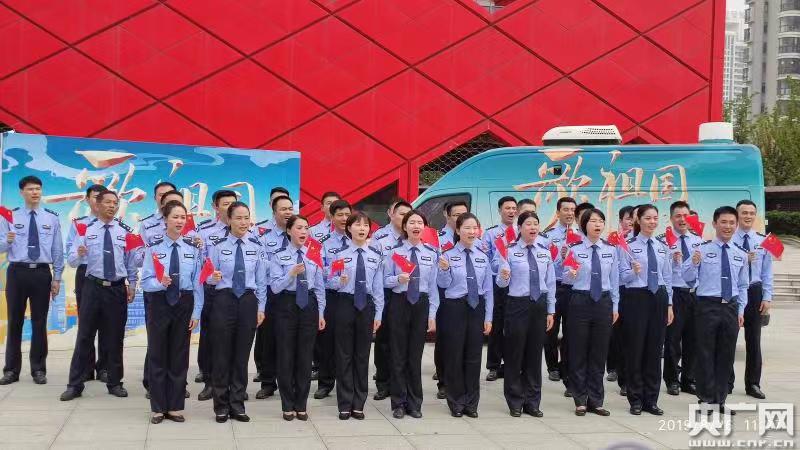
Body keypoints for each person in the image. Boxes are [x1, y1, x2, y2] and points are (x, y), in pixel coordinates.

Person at [61, 190, 137, 400]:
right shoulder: (85, 230)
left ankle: (115, 382)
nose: (112, 206)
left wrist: (132, 285)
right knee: (85, 336)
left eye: (115, 203)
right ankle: (75, 385)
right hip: (92, 287)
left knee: (115, 337)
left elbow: (131, 262)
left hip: (117, 289)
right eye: (108, 202)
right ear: (97, 204)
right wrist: (79, 254)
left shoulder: (125, 232)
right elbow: (72, 261)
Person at [141, 201, 204, 424]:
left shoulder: (192, 248)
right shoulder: (154, 247)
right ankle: (158, 408)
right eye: (175, 217)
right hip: (160, 302)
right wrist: (160, 283)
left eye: (183, 217)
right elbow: (145, 281)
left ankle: (175, 406)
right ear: (165, 219)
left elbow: (197, 283)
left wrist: (196, 313)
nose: (179, 221)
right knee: (157, 354)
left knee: (179, 355)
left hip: (184, 303)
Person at [206, 201, 268, 423]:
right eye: (238, 218)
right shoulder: (218, 246)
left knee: (242, 356)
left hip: (248, 301)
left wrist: (261, 307)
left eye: (246, 218)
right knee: (222, 354)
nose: (243, 222)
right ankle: (221, 406)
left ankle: (238, 404)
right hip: (224, 299)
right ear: (229, 220)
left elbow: (261, 281)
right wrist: (212, 278)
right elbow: (207, 276)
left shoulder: (256, 246)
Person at [683, 206, 748, 415]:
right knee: (705, 353)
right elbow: (687, 278)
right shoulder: (702, 250)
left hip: (731, 307)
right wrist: (693, 264)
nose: (728, 226)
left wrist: (741, 310)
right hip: (707, 306)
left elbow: (743, 285)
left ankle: (720, 399)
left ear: (736, 225)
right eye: (723, 222)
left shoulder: (741, 254)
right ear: (714, 224)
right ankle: (705, 399)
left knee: (726, 355)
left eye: (732, 223)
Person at [0, 176, 64, 386]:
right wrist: (6, 241)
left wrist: (57, 277)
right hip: (17, 273)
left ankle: (38, 369)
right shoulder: (9, 216)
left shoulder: (51, 218)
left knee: (39, 321)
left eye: (38, 189)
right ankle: (11, 370)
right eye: (30, 189)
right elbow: (0, 246)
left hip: (41, 274)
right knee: (15, 321)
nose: (35, 192)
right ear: (22, 192)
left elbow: (57, 250)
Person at [495, 211, 554, 417]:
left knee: (534, 354)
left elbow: (550, 283)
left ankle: (533, 401)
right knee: (515, 353)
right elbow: (501, 284)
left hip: (539, 305)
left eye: (535, 223)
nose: (533, 227)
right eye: (528, 224)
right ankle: (515, 400)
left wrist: (551, 310)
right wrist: (504, 276)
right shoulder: (509, 251)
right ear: (519, 228)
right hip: (517, 305)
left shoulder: (545, 252)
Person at [562, 208, 619, 416]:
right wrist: (571, 273)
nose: (597, 224)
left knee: (599, 352)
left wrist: (615, 306)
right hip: (580, 300)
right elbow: (565, 279)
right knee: (578, 351)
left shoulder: (611, 249)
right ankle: (580, 399)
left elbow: (615, 281)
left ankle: (596, 400)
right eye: (593, 221)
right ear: (584, 224)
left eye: (600, 221)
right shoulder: (574, 249)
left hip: (603, 302)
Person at [269, 215, 326, 421]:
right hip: (286, 305)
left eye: (306, 228)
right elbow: (275, 287)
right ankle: (287, 404)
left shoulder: (314, 253)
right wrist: (290, 274)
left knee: (304, 357)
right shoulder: (279, 256)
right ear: (289, 231)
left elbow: (319, 287)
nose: (303, 232)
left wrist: (321, 312)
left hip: (308, 306)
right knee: (285, 356)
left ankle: (301, 404)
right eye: (299, 228)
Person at [383, 210, 439, 419]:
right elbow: (384, 280)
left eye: (420, 223)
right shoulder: (394, 252)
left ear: (424, 227)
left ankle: (415, 403)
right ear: (405, 227)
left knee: (415, 357)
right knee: (398, 356)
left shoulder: (431, 253)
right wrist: (398, 279)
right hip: (399, 302)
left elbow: (433, 288)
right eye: (412, 222)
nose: (416, 226)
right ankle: (398, 402)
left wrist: (432, 314)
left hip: (421, 305)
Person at [328, 212, 384, 420]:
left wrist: (379, 313)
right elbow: (330, 281)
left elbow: (378, 288)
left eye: (365, 225)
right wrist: (339, 281)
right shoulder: (340, 254)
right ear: (349, 228)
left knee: (362, 356)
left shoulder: (375, 256)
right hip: (345, 303)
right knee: (343, 355)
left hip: (366, 306)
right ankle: (344, 403)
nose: (362, 228)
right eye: (357, 225)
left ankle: (359, 403)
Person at [437, 213, 494, 418]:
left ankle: (471, 403)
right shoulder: (447, 255)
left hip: (476, 307)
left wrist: (488, 317)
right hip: (455, 308)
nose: (471, 232)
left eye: (474, 228)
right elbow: (443, 284)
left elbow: (488, 290)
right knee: (454, 355)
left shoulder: (482, 257)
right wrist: (444, 270)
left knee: (473, 356)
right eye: (467, 228)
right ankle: (456, 402)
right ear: (458, 230)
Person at [618, 204, 673, 416]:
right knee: (636, 349)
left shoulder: (662, 246)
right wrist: (633, 272)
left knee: (654, 350)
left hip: (658, 297)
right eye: (648, 218)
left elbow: (667, 277)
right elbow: (621, 277)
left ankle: (652, 399)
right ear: (638, 220)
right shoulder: (627, 246)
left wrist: (669, 304)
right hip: (636, 298)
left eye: (655, 218)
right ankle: (636, 399)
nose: (652, 222)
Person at [195, 189, 239, 399]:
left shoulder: (245, 229)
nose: (230, 207)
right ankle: (210, 382)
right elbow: (199, 261)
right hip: (212, 291)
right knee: (211, 338)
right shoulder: (205, 230)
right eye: (225, 204)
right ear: (215, 207)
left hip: (237, 292)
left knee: (235, 338)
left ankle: (233, 384)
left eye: (233, 203)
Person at [65, 184, 109, 384]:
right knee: (87, 323)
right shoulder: (79, 224)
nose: (99, 201)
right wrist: (78, 253)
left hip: (107, 275)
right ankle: (86, 368)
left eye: (103, 197)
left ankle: (104, 368)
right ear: (87, 199)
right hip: (85, 273)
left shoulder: (114, 224)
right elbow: (70, 254)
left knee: (107, 323)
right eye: (95, 197)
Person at [731, 199, 772, 399]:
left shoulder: (764, 240)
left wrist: (767, 296)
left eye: (751, 213)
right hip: (733, 292)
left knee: (754, 340)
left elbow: (767, 272)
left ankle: (753, 384)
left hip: (755, 292)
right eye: (744, 213)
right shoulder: (728, 239)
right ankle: (726, 381)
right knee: (728, 339)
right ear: (737, 215)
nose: (748, 216)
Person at [254, 194, 294, 399]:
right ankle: (268, 382)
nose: (288, 212)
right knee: (268, 339)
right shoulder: (263, 235)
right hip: (271, 292)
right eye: (283, 209)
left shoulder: (299, 232)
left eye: (290, 208)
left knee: (291, 338)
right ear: (274, 212)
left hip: (294, 293)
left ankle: (291, 380)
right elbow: (261, 266)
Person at [373, 200, 413, 401]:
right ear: (391, 214)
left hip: (407, 294)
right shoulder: (380, 237)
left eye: (409, 214)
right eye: (401, 213)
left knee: (404, 341)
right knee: (384, 340)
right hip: (385, 293)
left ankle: (402, 382)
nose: (405, 218)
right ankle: (383, 383)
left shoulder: (414, 237)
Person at [314, 199, 352, 399]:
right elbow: (319, 270)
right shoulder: (324, 242)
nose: (344, 218)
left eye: (347, 215)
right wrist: (336, 269)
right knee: (327, 341)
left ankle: (348, 382)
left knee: (348, 342)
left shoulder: (359, 240)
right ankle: (325, 382)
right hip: (332, 296)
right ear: (332, 217)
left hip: (353, 297)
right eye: (340, 215)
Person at [663, 201, 702, 396]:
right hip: (675, 293)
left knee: (693, 339)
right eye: (678, 216)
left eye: (686, 216)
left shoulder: (698, 241)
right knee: (672, 340)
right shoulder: (664, 241)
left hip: (694, 293)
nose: (682, 219)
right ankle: (672, 380)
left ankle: (689, 379)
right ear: (671, 218)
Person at [541, 197, 577, 390]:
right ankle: (553, 366)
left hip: (572, 287)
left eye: (572, 210)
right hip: (554, 285)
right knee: (551, 329)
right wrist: (560, 258)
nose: (570, 213)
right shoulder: (548, 236)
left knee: (571, 330)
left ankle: (566, 365)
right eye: (566, 209)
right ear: (558, 212)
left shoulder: (580, 235)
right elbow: (545, 263)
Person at [433, 200, 468, 397]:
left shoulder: (474, 237)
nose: (461, 218)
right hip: (444, 293)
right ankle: (444, 381)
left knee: (465, 339)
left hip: (466, 295)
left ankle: (461, 379)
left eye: (464, 214)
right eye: (456, 215)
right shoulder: (437, 238)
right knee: (445, 338)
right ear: (447, 215)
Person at [480, 196, 517, 382]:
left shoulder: (522, 231)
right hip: (497, 283)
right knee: (497, 325)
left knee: (514, 327)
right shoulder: (491, 233)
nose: (511, 211)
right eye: (507, 208)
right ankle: (493, 366)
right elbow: (485, 259)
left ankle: (511, 365)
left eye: (514, 208)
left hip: (517, 285)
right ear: (500, 210)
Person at [606, 205, 634, 384]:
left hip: (635, 291)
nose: (631, 221)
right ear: (621, 220)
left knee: (630, 332)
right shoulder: (614, 238)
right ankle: (612, 367)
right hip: (618, 288)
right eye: (628, 218)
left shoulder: (641, 239)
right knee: (615, 330)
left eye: (634, 218)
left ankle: (627, 368)